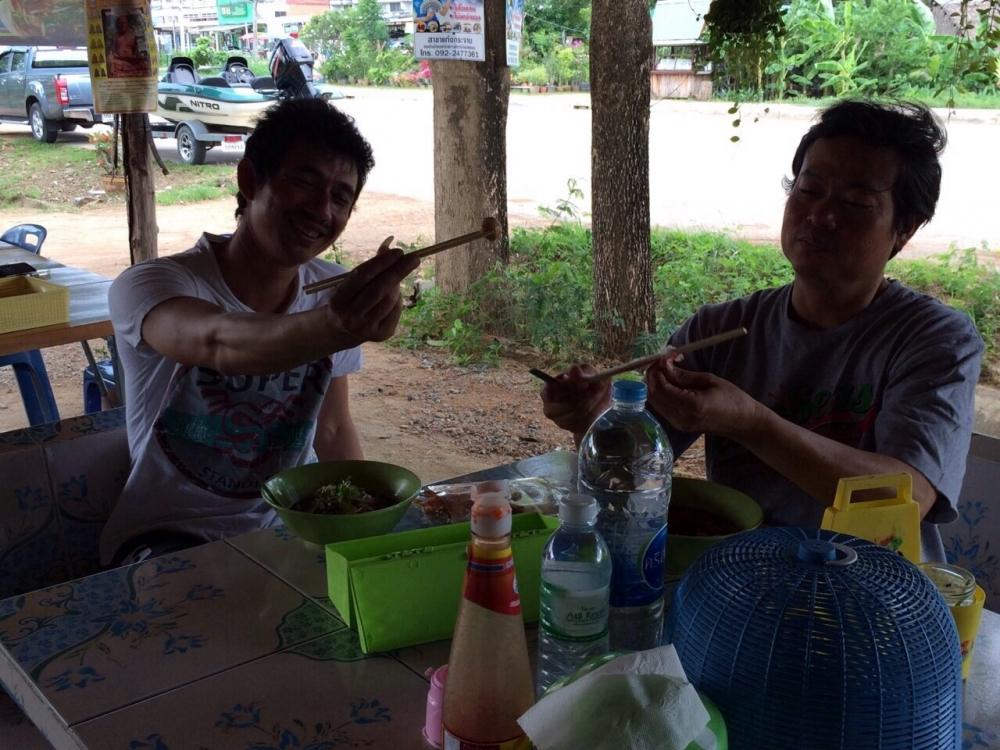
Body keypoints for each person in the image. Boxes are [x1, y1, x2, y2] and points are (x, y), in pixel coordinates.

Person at [541, 100, 984, 562]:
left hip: (875, 597)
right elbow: (630, 475)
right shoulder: (720, 329)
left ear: (904, 230)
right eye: (809, 190)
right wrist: (592, 422)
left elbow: (908, 497)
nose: (821, 215)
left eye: (855, 204)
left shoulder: (934, 339)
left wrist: (751, 423)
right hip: (744, 583)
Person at [101, 98, 420, 566]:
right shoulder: (152, 285)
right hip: (168, 538)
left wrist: (365, 528)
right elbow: (219, 341)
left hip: (289, 527)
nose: (320, 209)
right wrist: (334, 327)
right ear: (250, 180)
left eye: (340, 197)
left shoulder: (328, 289)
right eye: (304, 181)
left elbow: (330, 428)